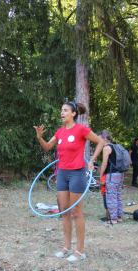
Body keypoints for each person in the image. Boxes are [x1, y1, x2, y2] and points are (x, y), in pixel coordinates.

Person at [34, 100, 104, 262]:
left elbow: (100, 141)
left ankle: (80, 251)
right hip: (62, 174)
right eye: (61, 110)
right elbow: (47, 147)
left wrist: (92, 160)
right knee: (64, 211)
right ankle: (66, 247)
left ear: (73, 113)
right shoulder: (59, 132)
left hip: (77, 174)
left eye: (65, 110)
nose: (62, 113)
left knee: (76, 212)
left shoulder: (81, 130)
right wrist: (39, 137)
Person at [99, 130, 124, 224]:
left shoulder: (106, 148)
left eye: (99, 138)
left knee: (111, 197)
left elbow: (104, 163)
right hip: (120, 174)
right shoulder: (116, 146)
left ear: (104, 138)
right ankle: (119, 217)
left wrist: (101, 175)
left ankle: (113, 219)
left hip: (111, 175)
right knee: (118, 196)